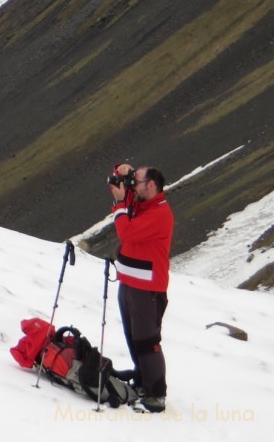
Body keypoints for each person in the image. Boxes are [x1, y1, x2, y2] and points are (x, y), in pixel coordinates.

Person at [108, 163, 174, 413]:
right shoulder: (142, 204)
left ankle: (156, 396)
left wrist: (118, 205)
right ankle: (143, 380)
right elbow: (117, 184)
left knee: (147, 341)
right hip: (129, 284)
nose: (132, 187)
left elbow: (128, 232)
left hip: (147, 289)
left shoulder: (159, 213)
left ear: (151, 185)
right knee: (133, 337)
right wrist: (122, 170)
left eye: (137, 182)